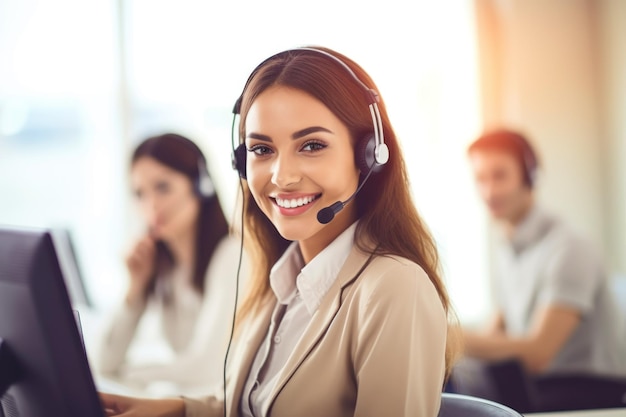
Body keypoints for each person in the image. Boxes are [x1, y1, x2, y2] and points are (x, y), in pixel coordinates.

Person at [100, 46, 458, 417]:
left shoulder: (394, 287)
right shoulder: (276, 283)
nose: (282, 177)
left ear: (368, 154)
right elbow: (252, 407)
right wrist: (172, 409)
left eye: (312, 145)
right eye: (261, 149)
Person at [453, 128, 626, 410]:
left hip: (589, 391)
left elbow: (537, 354)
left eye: (500, 176)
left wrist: (450, 336)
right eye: (481, 179)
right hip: (542, 387)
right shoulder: (509, 251)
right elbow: (495, 332)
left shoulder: (570, 247)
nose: (489, 191)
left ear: (530, 176)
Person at [96, 133, 245, 395]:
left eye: (162, 187)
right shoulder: (164, 266)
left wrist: (132, 374)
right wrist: (135, 288)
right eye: (139, 193)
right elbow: (103, 362)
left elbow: (208, 368)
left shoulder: (232, 255)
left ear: (201, 185)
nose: (151, 205)